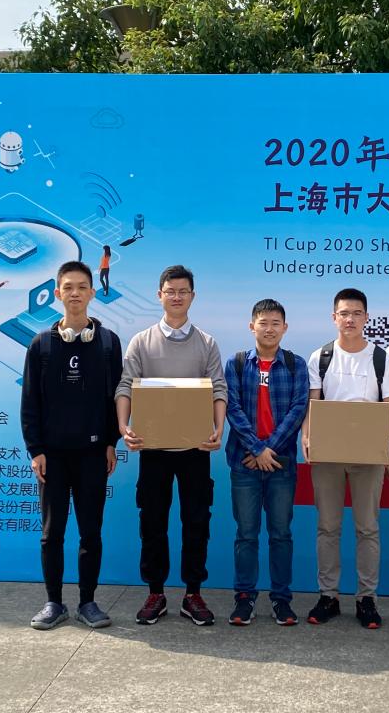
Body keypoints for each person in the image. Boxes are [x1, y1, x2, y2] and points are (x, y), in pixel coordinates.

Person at [116, 265, 228, 627]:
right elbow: (125, 386)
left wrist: (218, 428)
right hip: (153, 449)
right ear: (159, 295)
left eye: (183, 291)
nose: (176, 296)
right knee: (152, 522)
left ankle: (193, 594)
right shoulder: (141, 342)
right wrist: (123, 426)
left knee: (197, 521)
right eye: (170, 291)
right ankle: (156, 593)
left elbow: (218, 388)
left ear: (192, 296)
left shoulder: (206, 343)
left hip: (195, 449)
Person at [20, 261, 123, 630]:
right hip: (53, 456)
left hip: (93, 454)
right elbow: (30, 401)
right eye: (68, 287)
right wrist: (36, 450)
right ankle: (53, 602)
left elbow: (116, 397)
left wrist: (111, 442)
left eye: (82, 287)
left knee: (90, 532)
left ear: (93, 293)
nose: (75, 293)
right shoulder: (42, 344)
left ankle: (87, 602)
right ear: (57, 292)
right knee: (52, 533)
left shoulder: (108, 342)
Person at [301, 288, 389, 629]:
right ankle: (328, 596)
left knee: (367, 528)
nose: (350, 319)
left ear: (366, 318)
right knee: (327, 526)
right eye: (344, 313)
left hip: (368, 454)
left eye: (357, 313)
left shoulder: (381, 358)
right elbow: (313, 403)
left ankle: (366, 599)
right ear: (334, 318)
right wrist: (307, 436)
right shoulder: (321, 357)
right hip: (328, 454)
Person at [223, 299, 309, 626]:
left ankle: (281, 600)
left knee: (280, 534)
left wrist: (268, 449)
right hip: (244, 462)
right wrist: (256, 448)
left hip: (281, 464)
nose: (269, 329)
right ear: (252, 326)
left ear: (284, 328)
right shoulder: (236, 364)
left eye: (275, 323)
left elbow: (299, 408)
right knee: (246, 534)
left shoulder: (295, 365)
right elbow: (232, 409)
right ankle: (244, 598)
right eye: (263, 322)